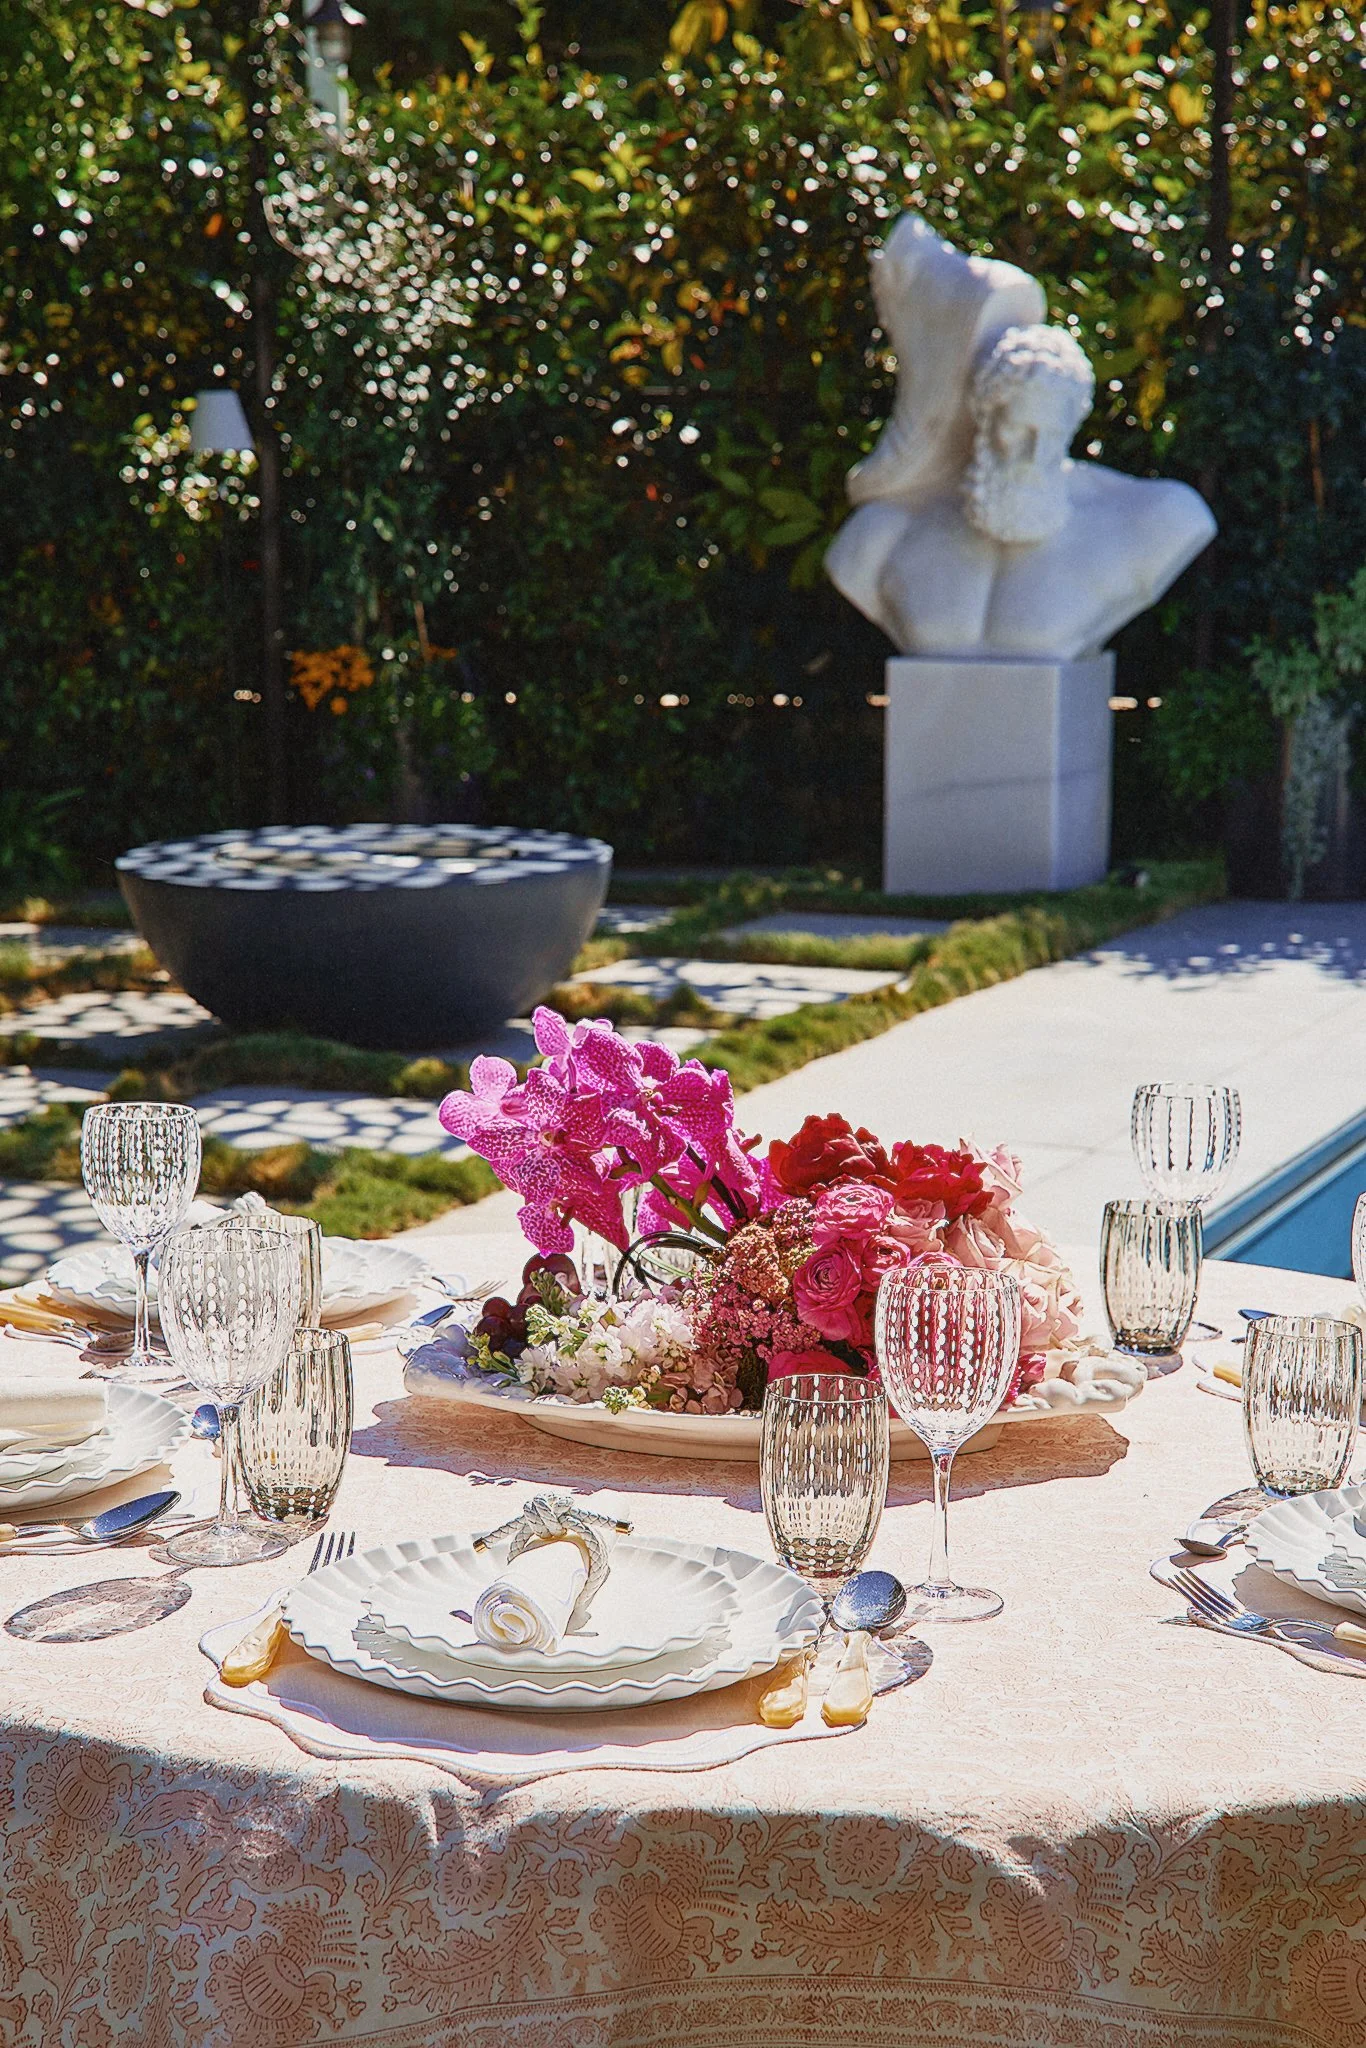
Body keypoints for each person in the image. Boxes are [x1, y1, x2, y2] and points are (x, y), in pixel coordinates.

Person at [826, 225, 1216, 662]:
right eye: (1016, 429)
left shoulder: (1156, 522)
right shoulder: (880, 537)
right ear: (983, 417)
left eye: (1050, 435)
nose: (1033, 454)